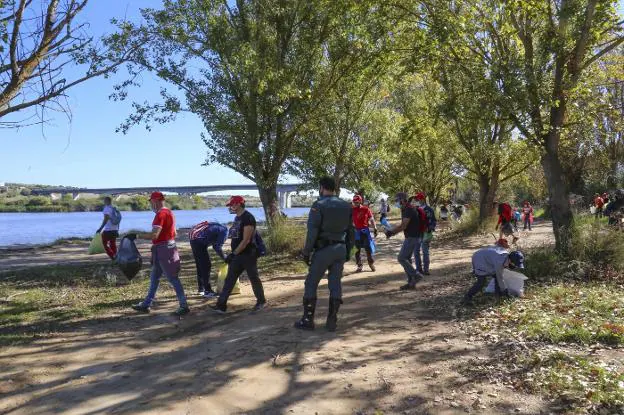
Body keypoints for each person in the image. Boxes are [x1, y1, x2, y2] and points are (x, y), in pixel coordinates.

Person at [295, 177, 353, 331]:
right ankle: (332, 319)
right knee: (335, 284)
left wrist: (306, 252)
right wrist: (348, 251)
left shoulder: (318, 205)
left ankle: (308, 319)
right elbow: (351, 231)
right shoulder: (346, 206)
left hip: (323, 249)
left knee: (311, 283)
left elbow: (312, 232)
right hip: (340, 248)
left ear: (321, 187)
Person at [131, 192, 189, 316]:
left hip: (164, 249)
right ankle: (146, 304)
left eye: (151, 202)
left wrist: (136, 235)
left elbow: (154, 235)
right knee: (154, 277)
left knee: (173, 278)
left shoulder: (160, 215)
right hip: (165, 247)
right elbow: (174, 232)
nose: (151, 204)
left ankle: (184, 306)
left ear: (156, 201)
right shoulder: (169, 212)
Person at [210, 196, 267, 314]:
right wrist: (234, 254)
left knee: (253, 278)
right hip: (238, 255)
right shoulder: (237, 217)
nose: (230, 207)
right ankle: (221, 305)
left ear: (238, 204)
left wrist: (233, 254)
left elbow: (246, 241)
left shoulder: (248, 218)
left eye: (232, 205)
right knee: (229, 279)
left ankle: (261, 301)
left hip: (248, 254)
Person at [462, 239, 525, 306]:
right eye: (514, 264)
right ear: (510, 260)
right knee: (481, 282)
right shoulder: (499, 261)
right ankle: (467, 297)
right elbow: (500, 278)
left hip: (486, 258)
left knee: (496, 276)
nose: (514, 266)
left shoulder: (505, 256)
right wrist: (505, 292)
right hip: (479, 258)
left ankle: (498, 295)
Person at [385, 192, 424, 290]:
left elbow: (403, 225)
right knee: (407, 259)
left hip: (412, 237)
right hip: (412, 237)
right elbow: (404, 225)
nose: (396, 202)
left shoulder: (409, 209)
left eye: (397, 200)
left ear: (402, 200)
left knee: (401, 258)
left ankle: (416, 275)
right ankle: (411, 283)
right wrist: (391, 231)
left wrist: (391, 232)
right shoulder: (406, 209)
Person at [189, 221, 228, 298]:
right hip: (198, 239)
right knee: (206, 265)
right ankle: (207, 291)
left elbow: (214, 243)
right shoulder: (225, 232)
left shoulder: (220, 227)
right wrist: (225, 258)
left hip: (193, 235)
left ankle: (201, 289)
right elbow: (217, 247)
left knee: (200, 265)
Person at [352, 194, 378, 272]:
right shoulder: (351, 210)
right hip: (356, 232)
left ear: (360, 201)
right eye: (354, 201)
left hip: (365, 232)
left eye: (357, 201)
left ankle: (371, 263)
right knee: (356, 250)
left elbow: (372, 219)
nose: (355, 203)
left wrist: (375, 228)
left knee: (368, 248)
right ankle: (359, 265)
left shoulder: (366, 209)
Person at [413, 192, 436, 275]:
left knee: (425, 251)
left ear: (423, 199)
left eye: (418, 198)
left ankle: (426, 269)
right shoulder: (415, 209)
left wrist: (430, 228)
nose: (417, 200)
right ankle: (418, 269)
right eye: (417, 199)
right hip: (417, 233)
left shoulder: (429, 210)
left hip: (426, 233)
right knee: (416, 251)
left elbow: (433, 221)